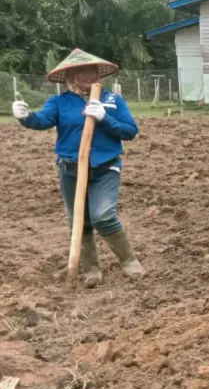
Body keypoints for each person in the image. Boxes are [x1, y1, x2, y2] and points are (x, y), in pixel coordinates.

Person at [11, 48, 144, 287]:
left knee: (103, 215)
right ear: (71, 76)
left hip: (106, 167)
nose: (89, 75)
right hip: (71, 169)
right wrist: (26, 116)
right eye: (82, 71)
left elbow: (130, 131)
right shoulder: (59, 102)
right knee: (79, 221)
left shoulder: (112, 100)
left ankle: (129, 260)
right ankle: (91, 270)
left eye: (92, 70)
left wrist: (106, 118)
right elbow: (41, 121)